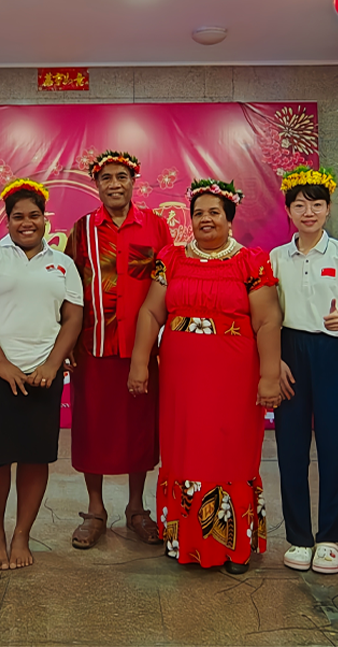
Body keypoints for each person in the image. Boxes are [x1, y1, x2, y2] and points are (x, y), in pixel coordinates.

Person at [128, 179, 281, 574]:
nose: (206, 219)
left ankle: (231, 545)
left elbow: (267, 321)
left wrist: (268, 376)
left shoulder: (252, 262)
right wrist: (140, 362)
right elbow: (150, 313)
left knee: (228, 453)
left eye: (214, 212)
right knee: (185, 450)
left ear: (229, 218)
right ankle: (186, 542)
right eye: (198, 213)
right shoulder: (172, 259)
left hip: (233, 376)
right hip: (182, 377)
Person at [0, 179, 84, 570]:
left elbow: (73, 318)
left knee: (35, 460)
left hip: (43, 377)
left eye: (34, 215)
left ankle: (21, 536)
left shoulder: (63, 263)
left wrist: (51, 364)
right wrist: (1, 362)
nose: (27, 223)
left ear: (45, 219)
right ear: (7, 219)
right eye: (18, 217)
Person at [64, 151, 171, 550]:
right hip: (94, 346)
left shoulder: (156, 227)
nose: (114, 184)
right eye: (106, 177)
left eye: (121, 176)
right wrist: (69, 342)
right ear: (97, 184)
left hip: (142, 350)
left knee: (138, 431)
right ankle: (95, 510)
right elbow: (71, 290)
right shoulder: (84, 228)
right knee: (93, 428)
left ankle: (136, 508)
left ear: (133, 181)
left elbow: (166, 285)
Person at [269, 166, 338, 575]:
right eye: (299, 205)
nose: (308, 211)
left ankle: (329, 538)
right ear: (288, 211)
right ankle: (298, 537)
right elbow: (269, 313)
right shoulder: (277, 256)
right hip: (289, 351)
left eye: (316, 204)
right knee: (291, 447)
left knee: (335, 446)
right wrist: (273, 360)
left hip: (332, 352)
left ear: (328, 209)